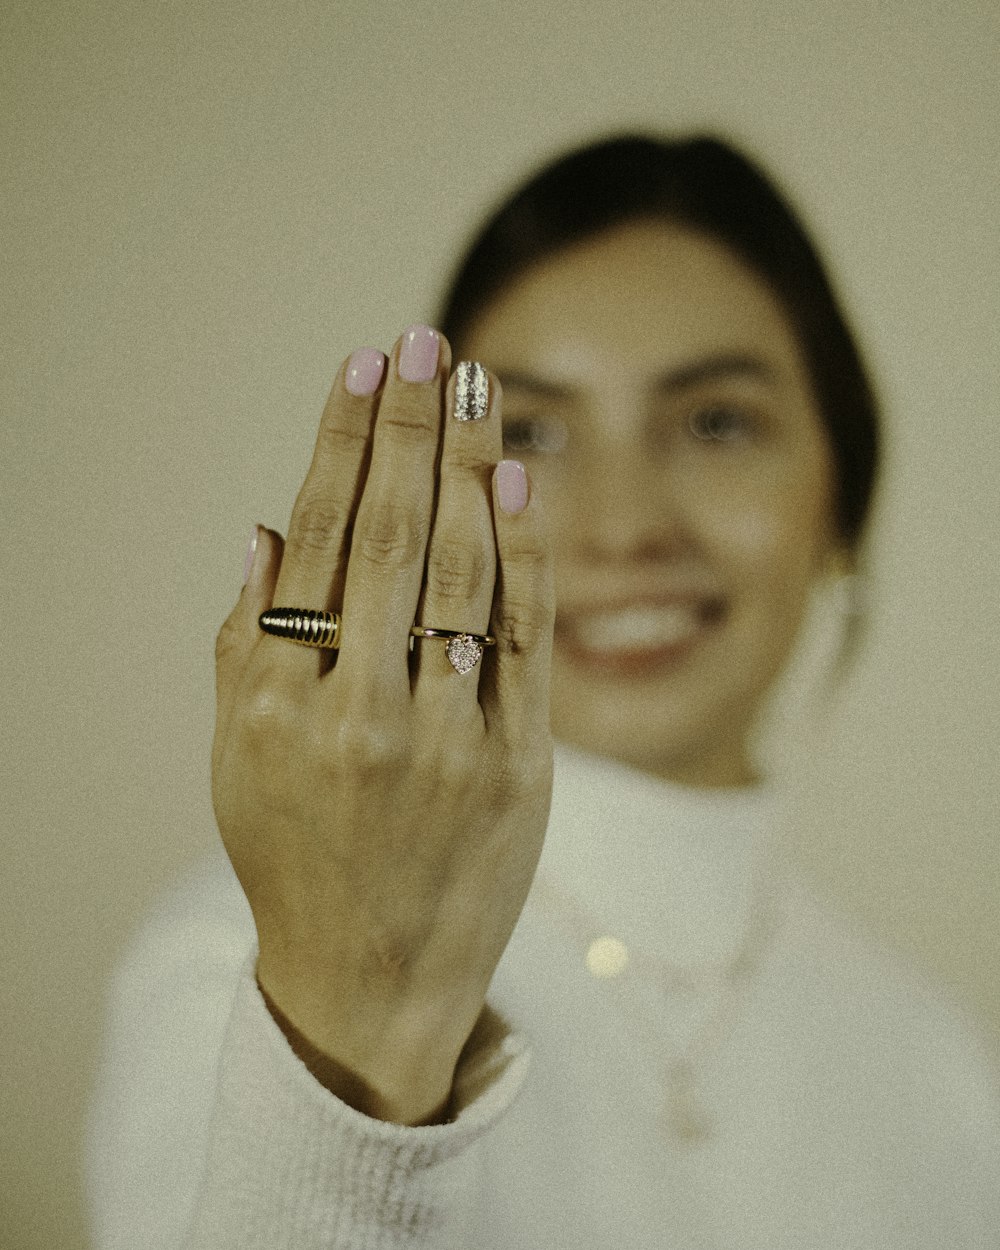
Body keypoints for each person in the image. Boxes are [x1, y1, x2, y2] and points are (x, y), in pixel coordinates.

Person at [86, 135, 1000, 1248]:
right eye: (528, 432)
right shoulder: (238, 965)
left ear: (842, 502)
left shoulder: (934, 1063)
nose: (624, 526)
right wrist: (354, 1059)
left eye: (716, 420)